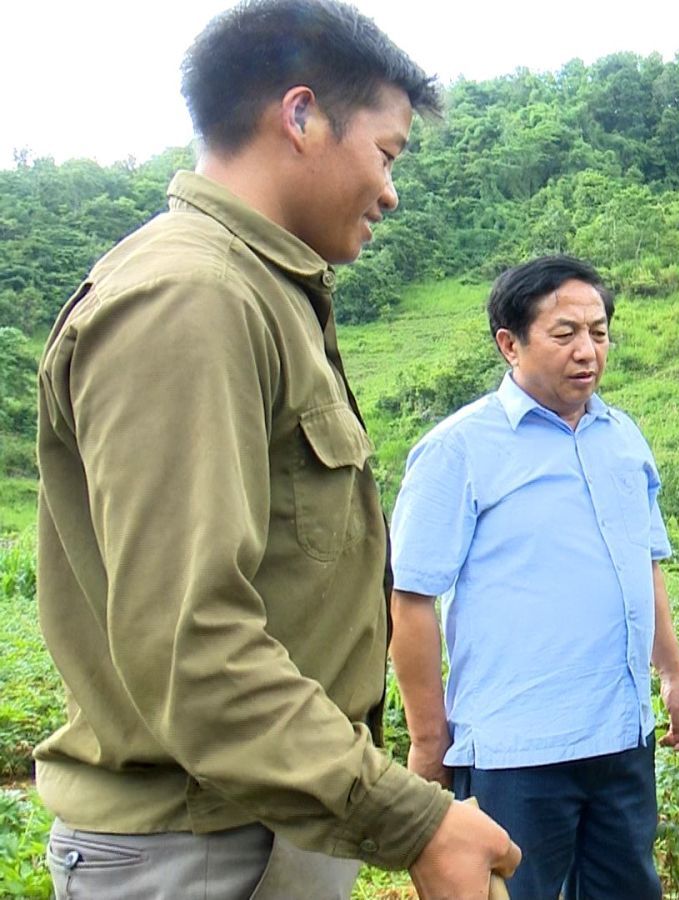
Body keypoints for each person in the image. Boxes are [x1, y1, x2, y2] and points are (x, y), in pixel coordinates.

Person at [32, 1, 521, 897]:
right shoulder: (191, 298)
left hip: (257, 829)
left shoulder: (265, 293)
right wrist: (413, 821)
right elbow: (194, 645)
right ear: (299, 116)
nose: (391, 189)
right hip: (199, 850)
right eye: (386, 151)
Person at [387, 254, 679, 900]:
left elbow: (645, 565)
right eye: (565, 334)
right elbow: (411, 599)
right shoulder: (458, 449)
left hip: (620, 740)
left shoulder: (623, 438)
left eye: (599, 332)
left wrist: (671, 675)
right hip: (515, 753)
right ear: (510, 343)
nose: (587, 350)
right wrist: (427, 743)